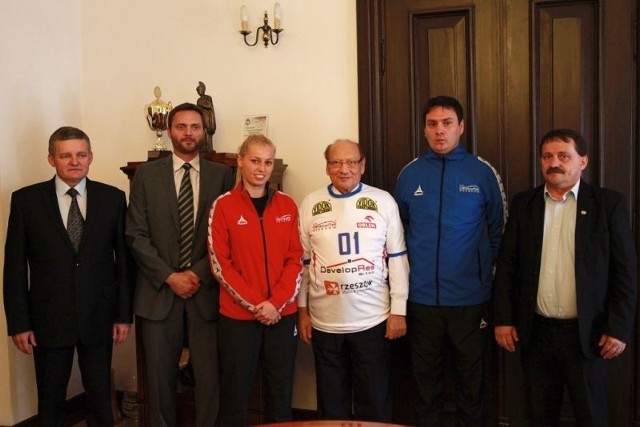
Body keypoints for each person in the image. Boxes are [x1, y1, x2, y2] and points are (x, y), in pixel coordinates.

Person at [493, 128, 637, 426]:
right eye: (547, 156)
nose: (554, 162)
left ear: (582, 161)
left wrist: (619, 327)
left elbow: (626, 272)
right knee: (539, 415)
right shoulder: (525, 205)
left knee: (590, 415)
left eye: (563, 156)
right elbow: (507, 265)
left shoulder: (608, 205)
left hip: (589, 334)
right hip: (536, 333)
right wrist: (503, 318)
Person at [3, 126, 134, 426]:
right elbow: (13, 267)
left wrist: (123, 315)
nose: (74, 161)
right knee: (50, 402)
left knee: (101, 400)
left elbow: (124, 263)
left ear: (90, 157)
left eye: (81, 155)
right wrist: (19, 324)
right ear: (51, 159)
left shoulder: (112, 198)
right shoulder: (26, 201)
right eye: (66, 155)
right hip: (48, 318)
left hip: (99, 317)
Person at [394, 95, 507, 426]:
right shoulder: (410, 174)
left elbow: (500, 233)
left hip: (471, 303)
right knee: (424, 386)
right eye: (432, 124)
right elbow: (396, 238)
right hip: (422, 301)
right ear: (425, 130)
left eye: (446, 124)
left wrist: (487, 284)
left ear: (461, 127)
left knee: (471, 387)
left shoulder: (482, 172)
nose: (439, 131)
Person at [126, 102, 235, 427]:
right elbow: (135, 234)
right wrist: (170, 276)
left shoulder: (222, 175)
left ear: (204, 132)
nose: (188, 133)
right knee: (159, 383)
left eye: (195, 127)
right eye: (181, 127)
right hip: (158, 294)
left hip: (207, 294)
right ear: (169, 131)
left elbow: (227, 235)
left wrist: (197, 273)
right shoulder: (146, 175)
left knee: (209, 381)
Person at [297, 139, 409, 421]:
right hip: (325, 323)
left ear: (362, 165)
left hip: (372, 320)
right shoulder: (311, 203)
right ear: (327, 168)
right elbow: (303, 263)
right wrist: (302, 310)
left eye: (351, 162)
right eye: (336, 162)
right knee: (331, 403)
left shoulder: (383, 201)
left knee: (374, 400)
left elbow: (397, 258)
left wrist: (399, 310)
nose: (343, 169)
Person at [208, 134, 303, 426]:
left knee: (280, 394)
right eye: (255, 160)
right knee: (235, 396)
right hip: (238, 319)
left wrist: (275, 304)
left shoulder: (288, 205)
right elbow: (221, 265)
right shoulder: (223, 206)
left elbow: (296, 260)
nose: (262, 168)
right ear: (240, 161)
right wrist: (257, 304)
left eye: (268, 161)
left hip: (282, 316)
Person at [196, 81, 216, 152]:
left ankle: (208, 149)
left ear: (203, 89)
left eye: (199, 90)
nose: (199, 92)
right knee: (202, 133)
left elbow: (209, 106)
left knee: (207, 133)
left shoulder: (208, 97)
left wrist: (201, 104)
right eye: (197, 91)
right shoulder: (198, 100)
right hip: (201, 118)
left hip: (207, 117)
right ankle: (202, 148)